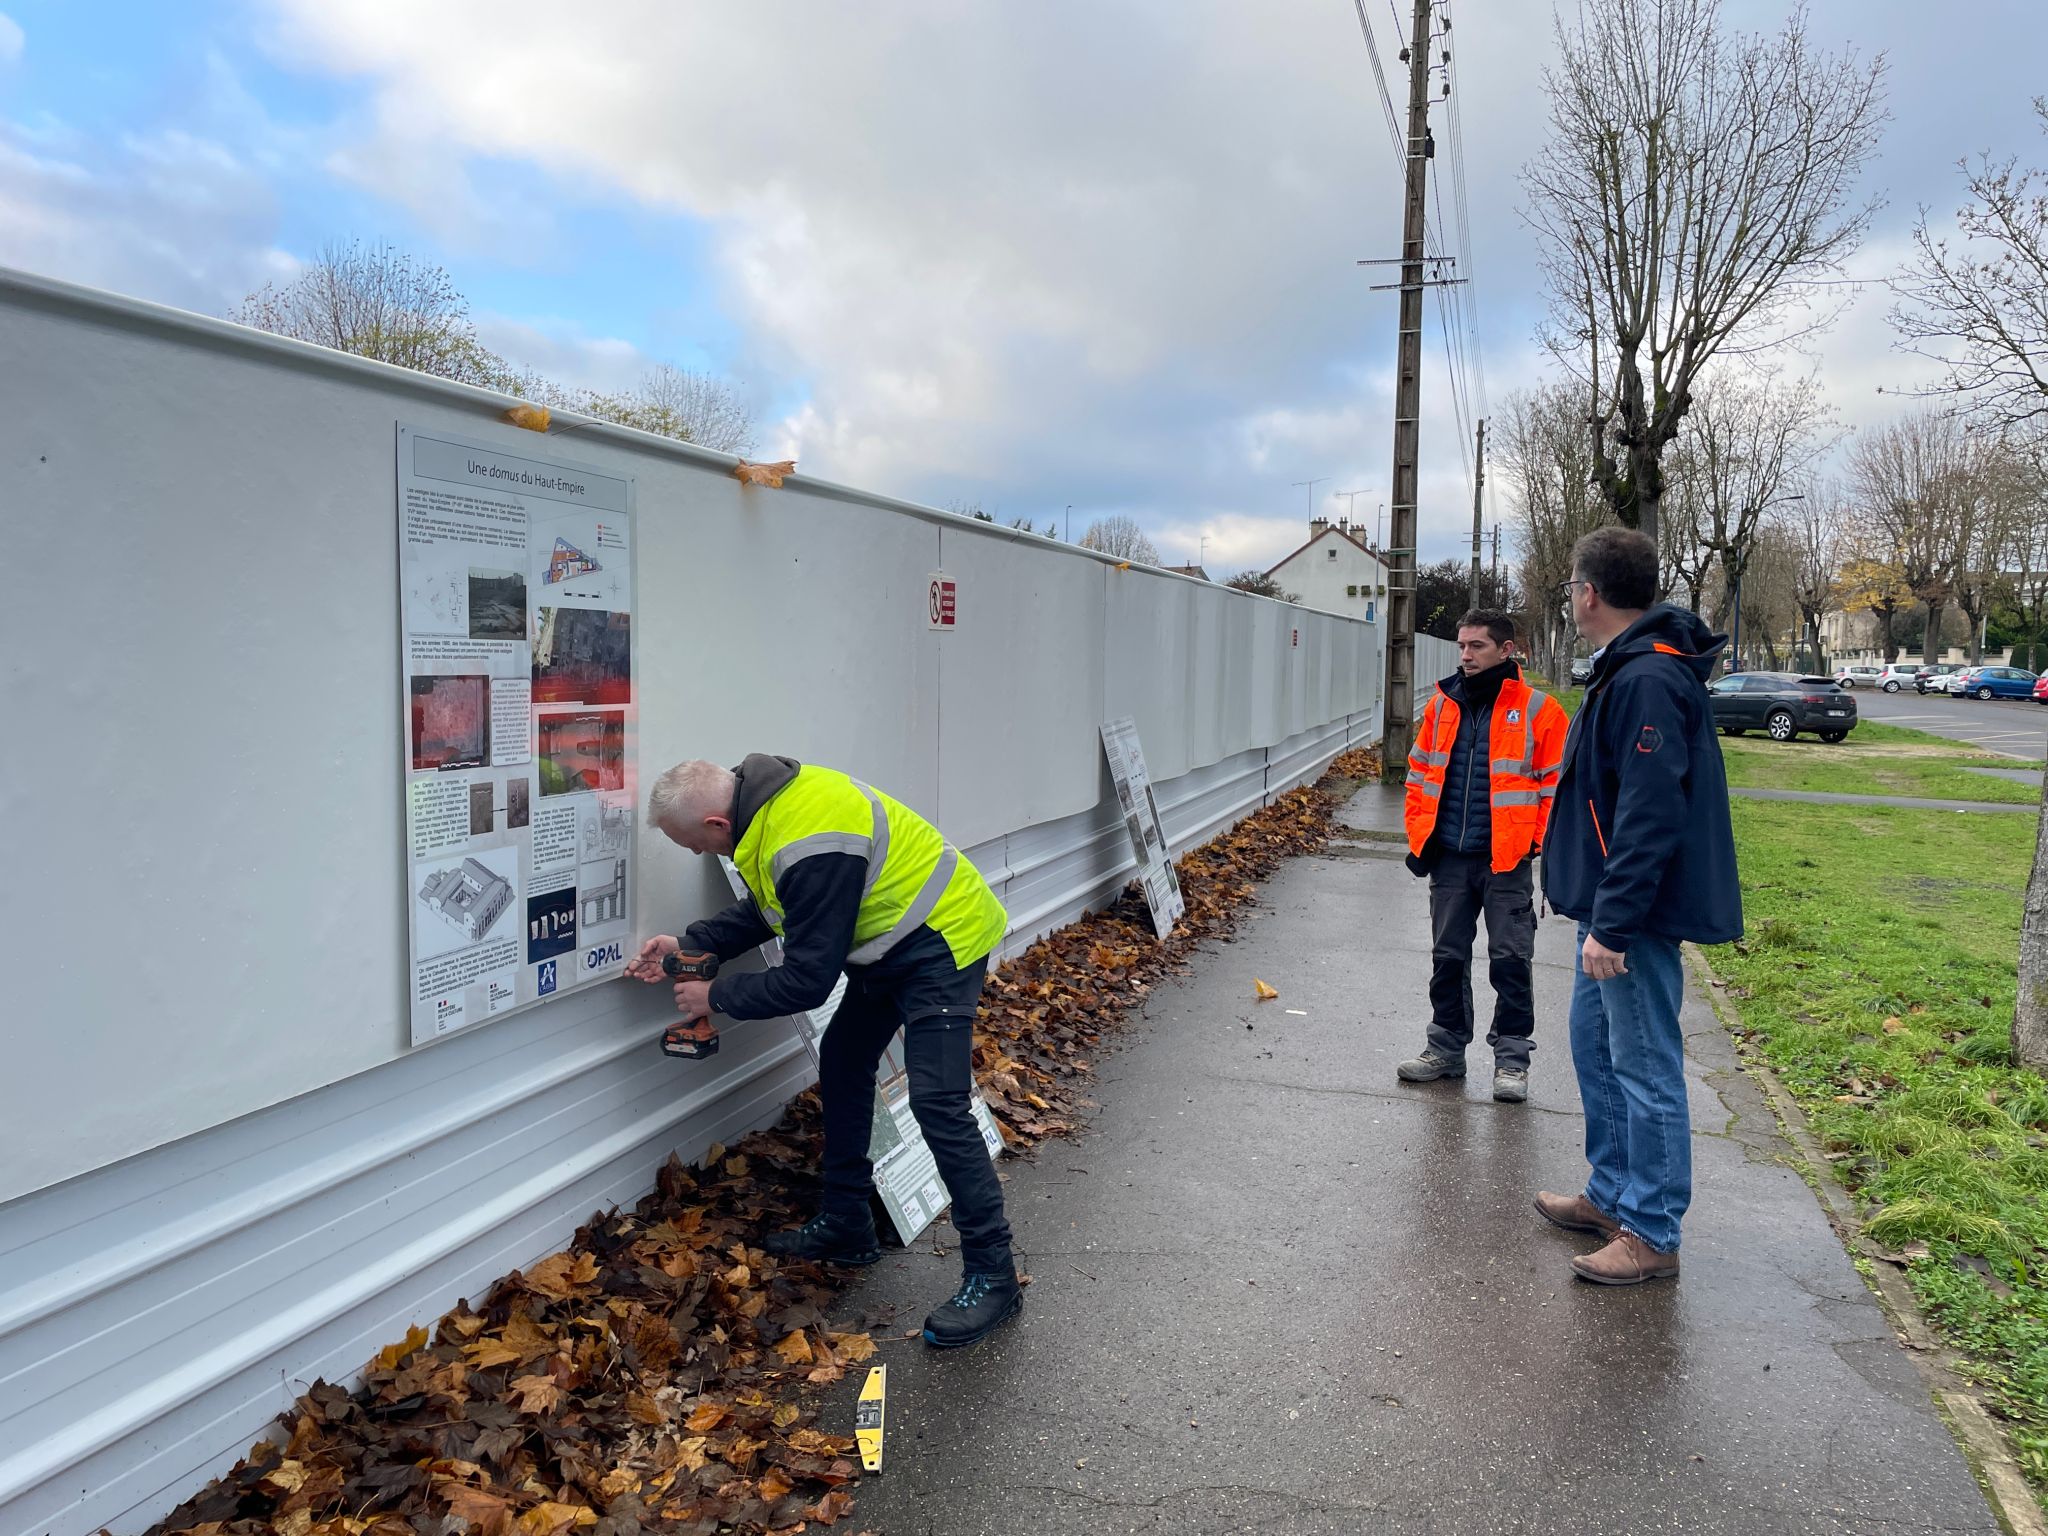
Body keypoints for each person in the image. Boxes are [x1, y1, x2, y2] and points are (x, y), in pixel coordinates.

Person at [630, 754, 1022, 1346]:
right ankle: (846, 1223)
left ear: (716, 823)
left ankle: (994, 1275)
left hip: (942, 938)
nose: (695, 855)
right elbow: (775, 910)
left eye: (692, 845)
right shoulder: (765, 813)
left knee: (939, 1104)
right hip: (890, 946)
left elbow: (806, 981)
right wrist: (691, 942)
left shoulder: (806, 840)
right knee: (843, 1062)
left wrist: (716, 994)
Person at [1536, 528, 1742, 1285]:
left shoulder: (1649, 678)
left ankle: (1651, 1231)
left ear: (1589, 594)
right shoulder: (1626, 668)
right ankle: (1612, 1194)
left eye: (1570, 588)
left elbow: (1651, 814)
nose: (1570, 599)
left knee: (1645, 1065)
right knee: (1596, 1050)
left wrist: (1614, 923)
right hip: (1609, 907)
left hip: (1633, 918)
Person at [1397, 610, 1569, 1103]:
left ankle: (1512, 1061)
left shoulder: (1540, 711)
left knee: (1511, 961)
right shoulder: (1441, 706)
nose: (1467, 655)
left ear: (1506, 650)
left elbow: (1556, 788)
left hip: (1506, 862)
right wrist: (1419, 834)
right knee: (1447, 958)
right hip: (1449, 857)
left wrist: (1532, 843)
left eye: (1477, 646)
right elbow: (1417, 774)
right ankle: (1446, 1049)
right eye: (1462, 646)